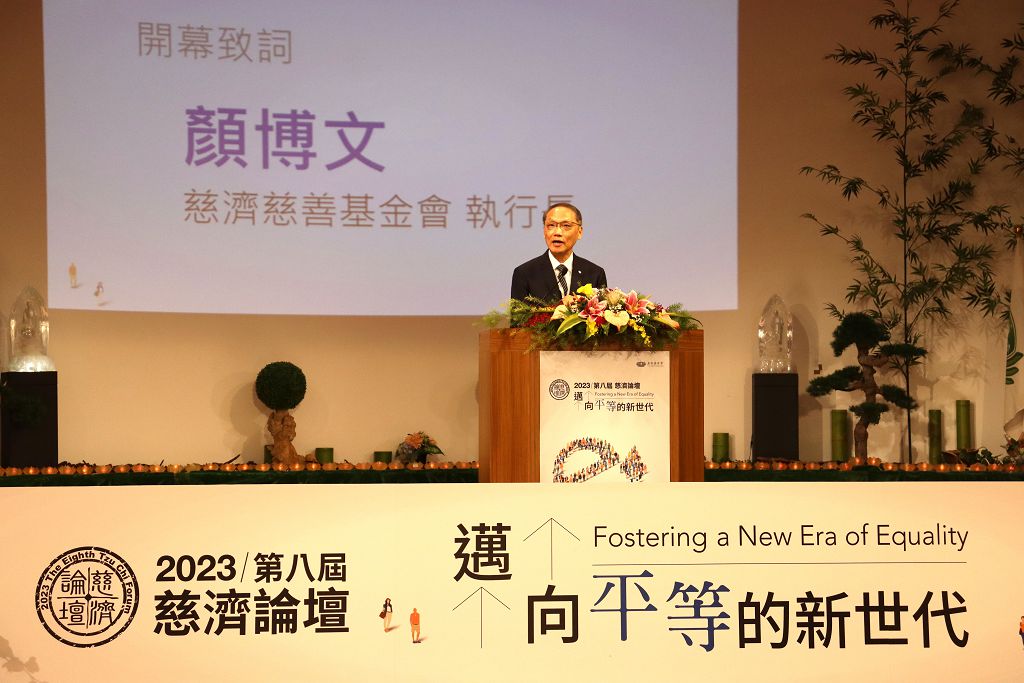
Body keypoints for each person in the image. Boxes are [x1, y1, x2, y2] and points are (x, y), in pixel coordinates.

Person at [510, 203, 607, 302]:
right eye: (551, 225)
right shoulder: (524, 274)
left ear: (579, 232)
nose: (557, 232)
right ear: (544, 231)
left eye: (566, 226)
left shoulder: (595, 273)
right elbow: (519, 312)